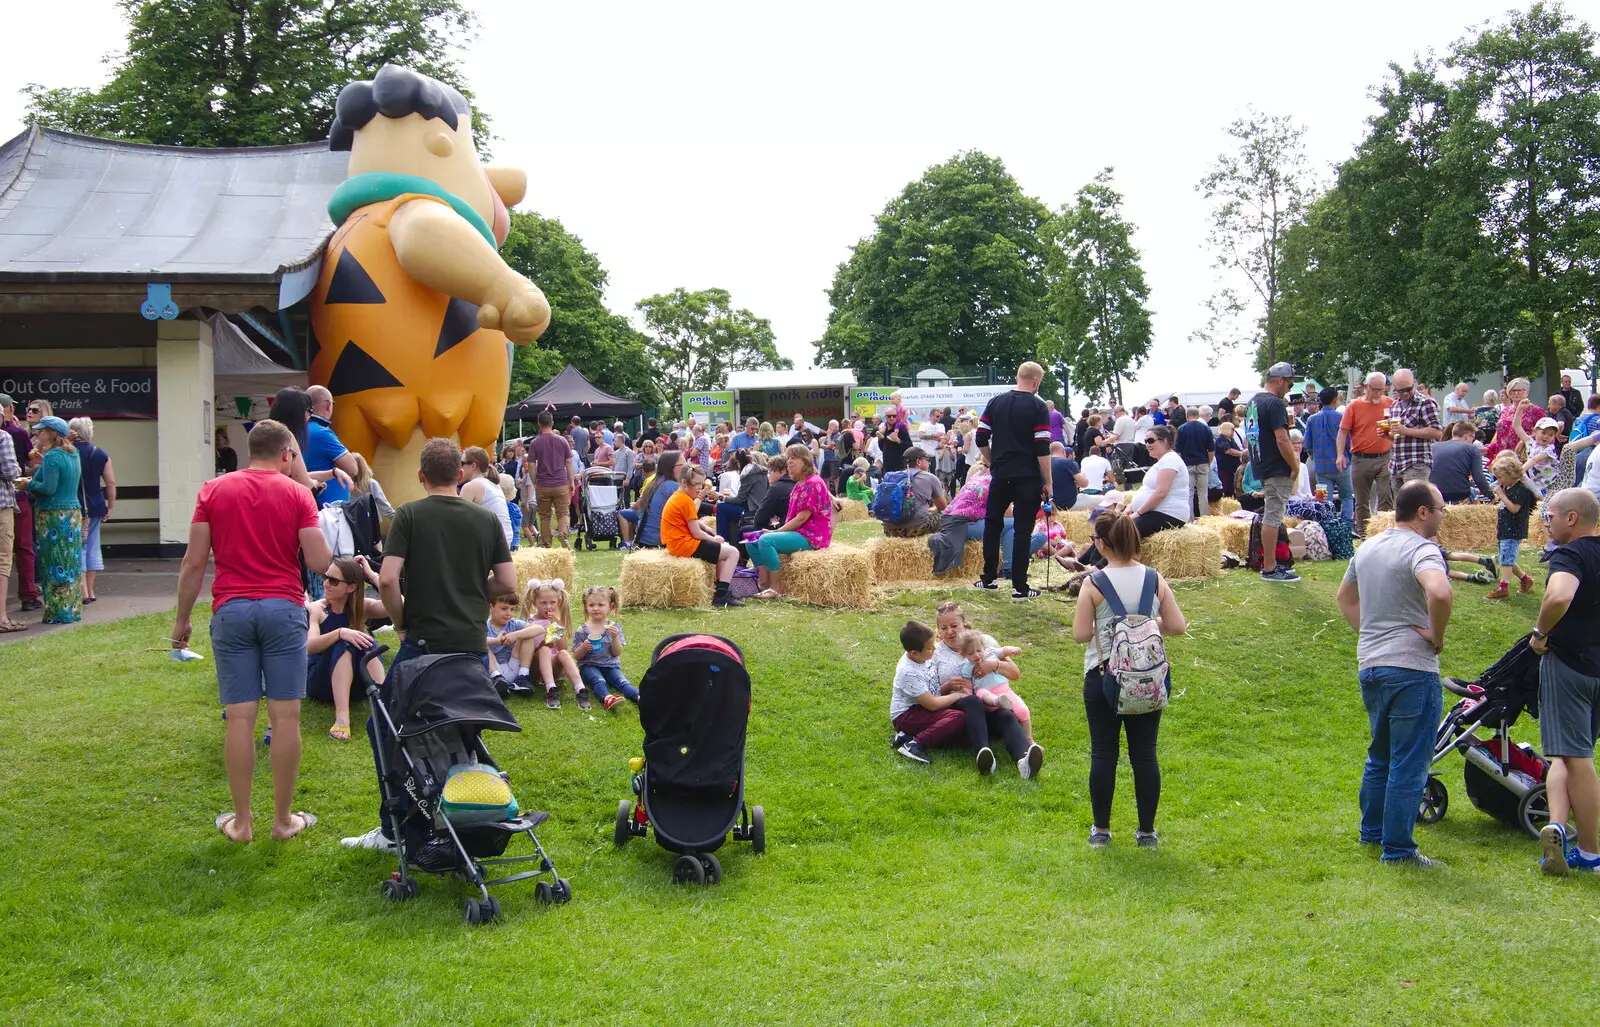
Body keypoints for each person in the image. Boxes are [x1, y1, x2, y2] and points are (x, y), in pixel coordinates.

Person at [344, 437, 516, 852]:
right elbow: (508, 584)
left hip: (423, 645)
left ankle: (395, 828)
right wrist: (474, 586)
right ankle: (469, 810)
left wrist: (401, 620)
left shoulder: (409, 516)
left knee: (384, 726)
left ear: (421, 477)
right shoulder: (485, 520)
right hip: (472, 646)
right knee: (460, 728)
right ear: (460, 475)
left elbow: (386, 580)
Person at [174, 419, 331, 843]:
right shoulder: (298, 493)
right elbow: (319, 561)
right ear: (286, 454)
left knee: (240, 719)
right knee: (286, 717)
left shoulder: (213, 489)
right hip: (282, 608)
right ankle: (283, 821)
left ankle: (242, 823)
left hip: (232, 609)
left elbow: (193, 563)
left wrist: (181, 619)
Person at [1335, 480, 1452, 867]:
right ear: (1423, 512)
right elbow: (1439, 593)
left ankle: (1372, 833)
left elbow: (1345, 598)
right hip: (1412, 667)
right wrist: (1437, 635)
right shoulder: (1423, 549)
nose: (1442, 514)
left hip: (1372, 664)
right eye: (1439, 508)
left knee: (1380, 755)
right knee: (1409, 761)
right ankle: (1399, 849)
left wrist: (1369, 632)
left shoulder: (1369, 546)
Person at [1072, 511, 1187, 847]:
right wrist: (1146, 626)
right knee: (1145, 754)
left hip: (1103, 675)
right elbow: (1178, 626)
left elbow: (1081, 635)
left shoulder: (1093, 583)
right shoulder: (1155, 578)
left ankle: (1102, 830)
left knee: (1104, 753)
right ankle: (1147, 832)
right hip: (1149, 676)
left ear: (1104, 544)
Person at [1531, 488, 1600, 875]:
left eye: (1550, 516)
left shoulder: (1570, 554)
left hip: (1569, 665)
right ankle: (1557, 826)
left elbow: (1558, 596)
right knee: (1566, 751)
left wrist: (1540, 632)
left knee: (1579, 758)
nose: (1547, 522)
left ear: (1572, 518)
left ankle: (1590, 854)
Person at [896, 610, 1042, 777]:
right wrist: (949, 686)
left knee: (1006, 716)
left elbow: (1015, 674)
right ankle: (984, 753)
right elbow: (932, 692)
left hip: (990, 702)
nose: (950, 631)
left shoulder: (983, 641)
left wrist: (994, 665)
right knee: (973, 701)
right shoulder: (931, 651)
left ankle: (1024, 761)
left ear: (964, 623)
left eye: (954, 625)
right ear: (937, 630)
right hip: (960, 704)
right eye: (943, 628)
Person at [976, 361, 1053, 599]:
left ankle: (988, 578)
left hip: (1001, 473)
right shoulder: (1038, 406)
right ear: (1037, 382)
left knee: (992, 524)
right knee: (1022, 529)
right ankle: (1020, 586)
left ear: (1017, 376)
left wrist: (992, 462)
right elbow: (1042, 446)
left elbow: (981, 438)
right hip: (1027, 475)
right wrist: (1048, 482)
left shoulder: (995, 402)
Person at [305, 556, 387, 741]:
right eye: (326, 577)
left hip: (358, 685)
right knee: (346, 641)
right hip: (320, 682)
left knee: (365, 641)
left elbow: (399, 602)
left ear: (351, 588)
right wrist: (340, 633)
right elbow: (309, 646)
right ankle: (342, 717)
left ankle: (384, 706)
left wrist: (371, 575)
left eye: (333, 581)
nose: (326, 584)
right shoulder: (317, 609)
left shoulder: (361, 606)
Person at [746, 445, 832, 600]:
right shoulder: (800, 484)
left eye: (793, 458)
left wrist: (777, 532)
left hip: (812, 536)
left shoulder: (813, 483)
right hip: (799, 532)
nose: (789, 463)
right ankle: (763, 583)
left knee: (766, 541)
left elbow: (802, 518)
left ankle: (776, 588)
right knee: (751, 540)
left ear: (805, 461)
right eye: (788, 459)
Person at [20, 417, 84, 623]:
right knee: (70, 564)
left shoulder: (53, 457)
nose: (37, 434)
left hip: (54, 516)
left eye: (41, 431)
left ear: (52, 433)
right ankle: (71, 610)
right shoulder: (73, 453)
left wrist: (27, 485)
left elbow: (48, 489)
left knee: (53, 563)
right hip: (73, 514)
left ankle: (57, 613)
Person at [661, 462, 745, 608]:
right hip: (685, 545)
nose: (701, 487)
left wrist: (706, 527)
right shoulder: (685, 501)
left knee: (722, 552)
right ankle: (721, 595)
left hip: (677, 544)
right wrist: (714, 539)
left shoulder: (679, 496)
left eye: (702, 483)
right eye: (697, 484)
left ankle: (720, 589)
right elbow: (696, 532)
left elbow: (690, 519)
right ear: (684, 483)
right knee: (733, 552)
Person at [1246, 362, 1301, 582]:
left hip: (1262, 464)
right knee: (1273, 514)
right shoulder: (1275, 403)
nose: (1290, 388)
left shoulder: (1253, 402)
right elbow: (1282, 439)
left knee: (1272, 513)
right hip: (1276, 466)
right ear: (1279, 380)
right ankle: (1269, 568)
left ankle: (1272, 564)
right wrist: (1295, 466)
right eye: (1289, 383)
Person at [1339, 372, 1394, 535]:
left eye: (1381, 390)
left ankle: (1385, 532)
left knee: (1386, 495)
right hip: (1361, 458)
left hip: (1385, 456)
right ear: (1366, 387)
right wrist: (1340, 454)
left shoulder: (1390, 403)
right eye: (1374, 389)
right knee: (1362, 500)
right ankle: (1365, 533)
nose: (1378, 393)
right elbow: (1342, 432)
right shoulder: (1354, 406)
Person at [519, 578, 587, 708]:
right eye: (543, 603)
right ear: (535, 603)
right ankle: (551, 690)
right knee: (545, 649)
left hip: (555, 668)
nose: (548, 606)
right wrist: (544, 644)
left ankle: (581, 689)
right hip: (537, 668)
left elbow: (563, 648)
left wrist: (557, 626)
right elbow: (528, 651)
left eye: (552, 602)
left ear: (558, 602)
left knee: (563, 653)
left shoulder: (558, 621)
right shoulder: (529, 621)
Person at [66, 417, 114, 604]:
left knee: (79, 546)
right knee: (92, 545)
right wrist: (111, 505)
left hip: (73, 505)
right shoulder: (100, 454)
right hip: (95, 505)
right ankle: (91, 590)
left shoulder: (67, 452)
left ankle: (83, 591)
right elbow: (110, 482)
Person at [1, 395, 40, 613]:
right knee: (24, 547)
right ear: (10, 408)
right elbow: (28, 460)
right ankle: (28, 595)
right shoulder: (15, 433)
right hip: (16, 495)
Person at [955, 628, 1031, 740]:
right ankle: (997, 701)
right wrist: (967, 696)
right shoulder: (967, 668)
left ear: (983, 647)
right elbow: (967, 686)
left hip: (1004, 691)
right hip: (986, 696)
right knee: (981, 692)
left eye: (979, 650)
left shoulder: (990, 652)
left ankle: (1029, 740)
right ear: (964, 654)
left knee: (1023, 710)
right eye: (971, 653)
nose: (976, 655)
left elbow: (1004, 651)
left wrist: (1013, 650)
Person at [571, 585, 639, 709]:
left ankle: (639, 698)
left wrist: (614, 637)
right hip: (589, 665)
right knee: (598, 680)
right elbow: (576, 656)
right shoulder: (582, 630)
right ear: (586, 607)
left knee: (622, 682)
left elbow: (617, 653)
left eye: (600, 605)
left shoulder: (614, 628)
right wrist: (584, 647)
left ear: (611, 606)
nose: (596, 608)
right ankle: (607, 698)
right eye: (591, 605)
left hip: (610, 665)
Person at [1486, 453, 1538, 599]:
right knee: (1506, 557)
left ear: (1510, 474)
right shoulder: (1508, 487)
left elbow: (1514, 508)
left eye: (1500, 477)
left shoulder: (1521, 489)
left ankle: (1503, 587)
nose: (1499, 480)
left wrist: (1501, 495)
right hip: (1505, 528)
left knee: (1507, 559)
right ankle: (1525, 579)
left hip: (1513, 529)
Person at [1129, 425, 1191, 538]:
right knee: (1111, 531)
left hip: (1168, 514)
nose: (1147, 445)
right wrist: (1131, 507)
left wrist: (1137, 513)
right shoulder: (1164, 461)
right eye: (1146, 441)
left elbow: (1161, 493)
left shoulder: (1170, 460)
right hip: (1157, 513)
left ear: (1165, 441)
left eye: (1151, 441)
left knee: (1121, 531)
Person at [304, 385, 359, 506]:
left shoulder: (297, 430)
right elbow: (353, 469)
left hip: (308, 504)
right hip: (330, 508)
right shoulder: (322, 433)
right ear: (328, 405)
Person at [527, 411, 575, 548]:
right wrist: (571, 481)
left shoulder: (535, 443)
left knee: (544, 516)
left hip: (543, 484)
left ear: (539, 424)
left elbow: (531, 464)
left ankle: (546, 544)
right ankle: (563, 533)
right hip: (560, 482)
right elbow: (569, 462)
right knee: (563, 513)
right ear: (552, 423)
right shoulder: (562, 440)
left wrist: (535, 481)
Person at [1388, 368, 1443, 486]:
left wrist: (1406, 430)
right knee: (1399, 504)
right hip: (1397, 464)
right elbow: (1395, 437)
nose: (1405, 393)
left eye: (1408, 389)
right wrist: (1386, 434)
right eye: (1401, 390)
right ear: (1395, 387)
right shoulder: (1394, 405)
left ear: (1414, 384)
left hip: (1417, 463)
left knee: (1416, 502)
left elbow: (1437, 432)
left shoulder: (1425, 403)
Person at [1304, 387, 1353, 521]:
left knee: (1325, 500)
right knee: (1347, 496)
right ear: (1335, 400)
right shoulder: (1341, 417)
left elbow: (1307, 444)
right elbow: (1348, 441)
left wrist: (1314, 457)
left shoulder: (1311, 420)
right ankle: (1346, 524)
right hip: (1341, 464)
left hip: (1321, 466)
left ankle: (1328, 525)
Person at [881, 448, 946, 538]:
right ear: (918, 462)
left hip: (889, 530)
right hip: (916, 528)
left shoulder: (893, 477)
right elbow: (943, 507)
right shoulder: (930, 478)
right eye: (927, 460)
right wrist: (935, 510)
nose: (929, 463)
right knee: (946, 518)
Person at [459, 446, 513, 550]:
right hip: (504, 542)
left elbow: (457, 521)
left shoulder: (472, 486)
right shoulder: (493, 484)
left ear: (473, 465)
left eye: (462, 463)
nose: (460, 467)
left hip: (492, 545)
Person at [1430, 421, 1495, 504]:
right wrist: (1491, 496)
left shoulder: (1433, 447)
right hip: (1459, 496)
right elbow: (1479, 478)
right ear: (1467, 436)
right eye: (1473, 438)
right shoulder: (1472, 449)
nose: (1473, 441)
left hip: (1434, 494)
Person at [1485, 377, 1546, 461]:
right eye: (1513, 390)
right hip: (1503, 456)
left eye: (1520, 390)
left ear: (1527, 392)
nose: (1516, 393)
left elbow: (1546, 433)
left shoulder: (1536, 411)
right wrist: (1489, 448)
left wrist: (1527, 440)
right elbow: (1499, 434)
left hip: (1524, 455)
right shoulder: (1505, 411)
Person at [0, 417, 22, 632]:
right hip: (1, 505)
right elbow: (10, 472)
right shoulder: (3, 436)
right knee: (2, 561)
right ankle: (2, 618)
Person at [1173, 406, 1214, 520]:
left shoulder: (1181, 428)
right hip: (1202, 463)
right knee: (1203, 493)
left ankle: (1190, 519)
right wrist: (1208, 463)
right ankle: (1204, 518)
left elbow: (1178, 450)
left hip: (1187, 464)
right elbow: (1211, 450)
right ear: (1198, 415)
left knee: (1189, 493)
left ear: (1187, 416)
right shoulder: (1205, 428)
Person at [1515, 414, 1561, 495]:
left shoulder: (1550, 449)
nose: (1546, 436)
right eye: (1543, 433)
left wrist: (1520, 471)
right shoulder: (1530, 443)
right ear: (1535, 431)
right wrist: (1520, 409)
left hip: (1551, 484)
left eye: (1551, 435)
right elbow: (1517, 426)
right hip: (1538, 484)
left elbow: (1535, 459)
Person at [1049, 441, 1086, 511]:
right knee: (1102, 500)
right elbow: (1084, 484)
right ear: (1063, 451)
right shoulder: (1067, 462)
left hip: (1050, 504)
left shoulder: (1043, 464)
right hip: (1069, 504)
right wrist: (1084, 476)